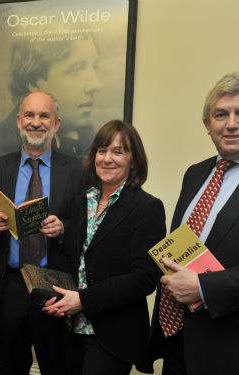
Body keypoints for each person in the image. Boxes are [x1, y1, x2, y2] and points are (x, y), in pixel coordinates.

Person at [148, 71, 239, 374]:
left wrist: (205, 287)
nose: (231, 123)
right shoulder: (195, 173)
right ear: (208, 125)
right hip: (179, 341)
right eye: (220, 114)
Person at [42, 120, 166, 374]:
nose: (107, 158)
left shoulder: (148, 208)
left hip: (112, 334)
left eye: (118, 152)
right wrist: (54, 295)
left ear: (133, 160)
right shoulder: (80, 201)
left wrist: (83, 301)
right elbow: (71, 259)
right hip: (67, 327)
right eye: (102, 150)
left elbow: (144, 279)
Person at [0, 91, 85, 374]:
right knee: (11, 366)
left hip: (54, 286)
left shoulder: (76, 171)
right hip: (10, 287)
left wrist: (64, 229)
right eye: (29, 115)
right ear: (18, 121)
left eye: (44, 116)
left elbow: (87, 229)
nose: (36, 122)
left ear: (57, 124)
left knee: (58, 366)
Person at [0, 36, 102, 161]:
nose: (96, 85)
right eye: (77, 69)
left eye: (94, 66)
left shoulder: (89, 136)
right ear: (33, 81)